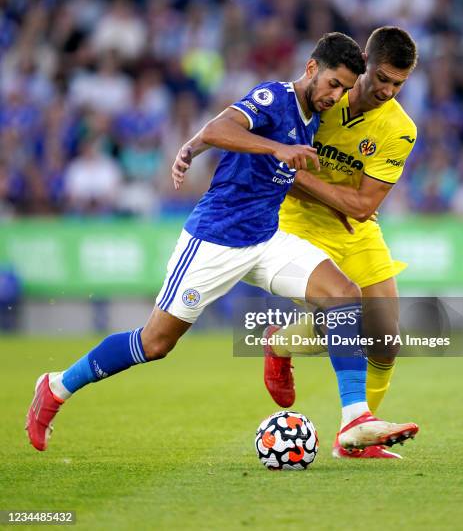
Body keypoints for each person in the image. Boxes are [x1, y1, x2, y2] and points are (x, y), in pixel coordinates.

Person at [26, 32, 416, 455]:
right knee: (154, 343)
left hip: (266, 238)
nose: (336, 95)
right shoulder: (274, 97)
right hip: (216, 239)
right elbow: (220, 126)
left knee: (344, 295)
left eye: (343, 88)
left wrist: (191, 147)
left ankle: (355, 418)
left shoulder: (321, 112)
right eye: (332, 84)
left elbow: (214, 134)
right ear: (310, 69)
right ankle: (57, 385)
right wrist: (268, 149)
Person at [264, 26, 420, 459]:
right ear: (364, 60)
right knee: (349, 313)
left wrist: (307, 178)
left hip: (355, 232)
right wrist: (331, 194)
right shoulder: (321, 98)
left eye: (398, 84)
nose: (388, 90)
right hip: (297, 222)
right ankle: (281, 344)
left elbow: (363, 206)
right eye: (382, 77)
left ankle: (356, 438)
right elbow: (279, 171)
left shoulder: (399, 129)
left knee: (386, 337)